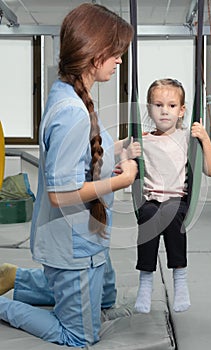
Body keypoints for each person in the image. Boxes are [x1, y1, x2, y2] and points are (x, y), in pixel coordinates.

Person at [0, 3, 141, 347]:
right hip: (73, 243)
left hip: (91, 235)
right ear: (95, 56)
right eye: (116, 54)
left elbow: (85, 151)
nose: (119, 61)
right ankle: (4, 305)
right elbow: (60, 194)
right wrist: (121, 181)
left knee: (106, 299)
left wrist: (121, 149)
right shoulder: (72, 112)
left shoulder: (70, 92)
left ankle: (16, 277)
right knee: (80, 336)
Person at [134, 78, 211, 314]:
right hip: (150, 200)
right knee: (148, 216)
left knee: (172, 217)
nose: (164, 111)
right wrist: (126, 151)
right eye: (158, 105)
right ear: (149, 108)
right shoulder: (143, 139)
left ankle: (180, 280)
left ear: (181, 111)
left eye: (171, 106)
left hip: (176, 199)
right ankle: (145, 282)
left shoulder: (186, 138)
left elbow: (210, 169)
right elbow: (118, 154)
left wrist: (204, 137)